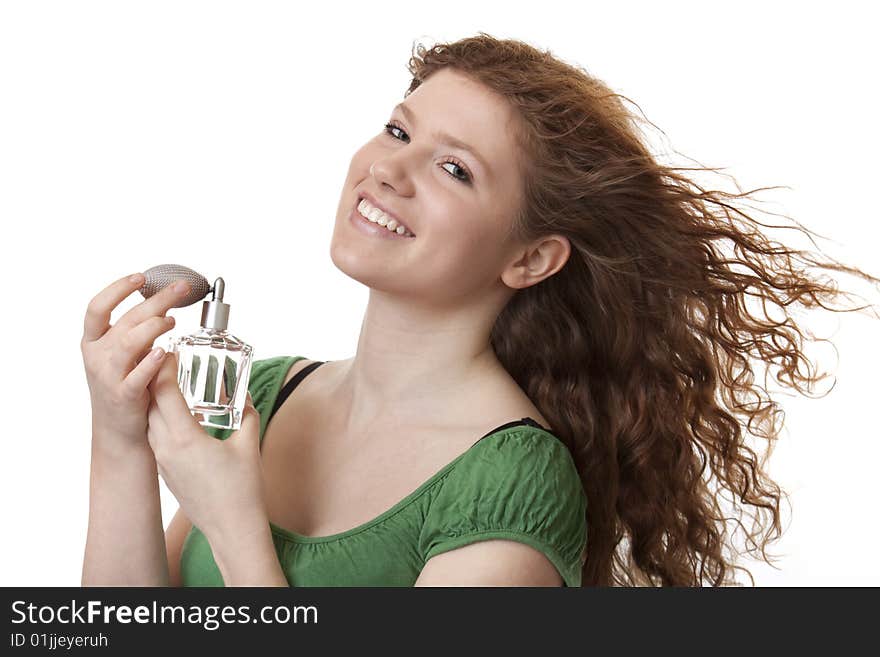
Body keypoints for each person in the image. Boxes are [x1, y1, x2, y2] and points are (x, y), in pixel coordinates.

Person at [80, 33, 880, 587]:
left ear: (530, 258)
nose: (390, 170)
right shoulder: (263, 393)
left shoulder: (512, 486)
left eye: (455, 169)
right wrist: (119, 439)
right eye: (398, 128)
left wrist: (232, 522)